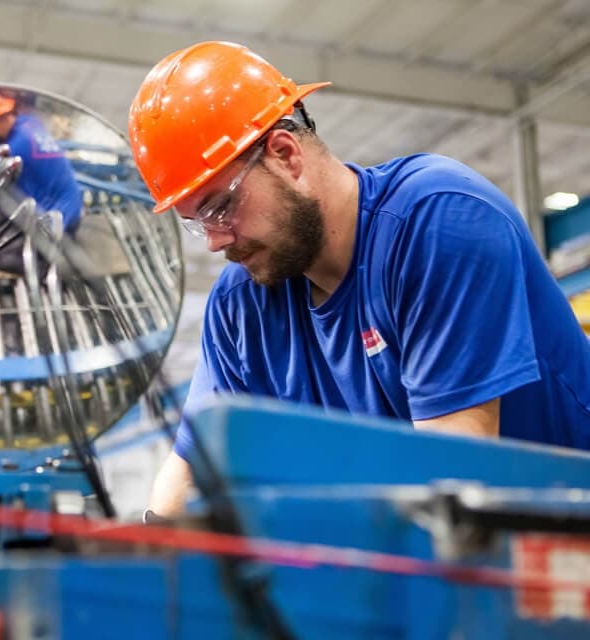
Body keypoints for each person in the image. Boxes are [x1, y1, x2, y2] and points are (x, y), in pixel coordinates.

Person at [128, 41, 590, 517]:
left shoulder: (436, 222)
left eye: (219, 208)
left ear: (285, 155)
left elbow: (452, 484)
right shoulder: (242, 306)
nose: (213, 242)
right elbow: (191, 467)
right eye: (197, 223)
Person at [0, 88, 83, 235]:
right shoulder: (29, 123)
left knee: (1, 252)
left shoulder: (15, 151)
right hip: (70, 207)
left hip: (56, 221)